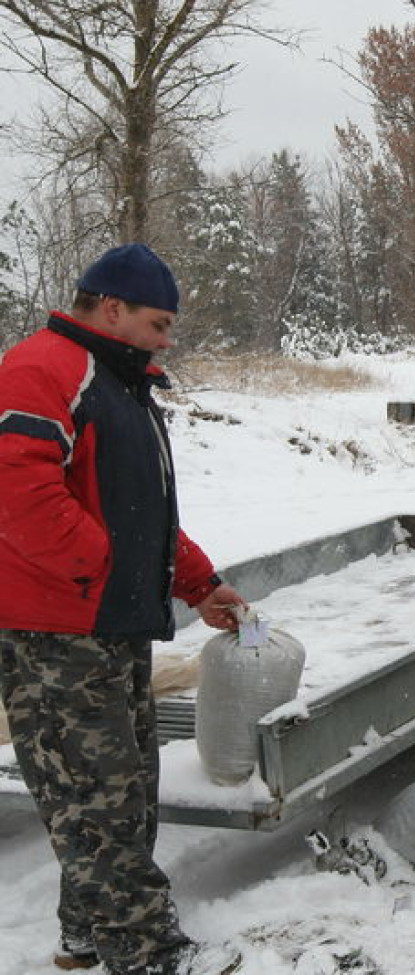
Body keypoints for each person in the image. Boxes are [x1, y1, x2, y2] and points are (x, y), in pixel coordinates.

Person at [0, 244, 245, 975]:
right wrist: (108, 568)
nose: (167, 340)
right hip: (58, 634)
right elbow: (19, 495)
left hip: (108, 624)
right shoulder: (42, 369)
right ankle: (148, 952)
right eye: (158, 323)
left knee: (123, 790)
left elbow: (141, 512)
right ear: (112, 309)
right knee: (97, 801)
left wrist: (200, 583)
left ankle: (86, 933)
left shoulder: (115, 383)